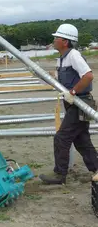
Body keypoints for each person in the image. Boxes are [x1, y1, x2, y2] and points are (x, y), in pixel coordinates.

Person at [39, 23, 98, 185]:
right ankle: (96, 168)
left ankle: (60, 174)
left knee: (61, 138)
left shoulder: (74, 55)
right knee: (81, 139)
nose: (54, 40)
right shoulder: (62, 59)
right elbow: (61, 81)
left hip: (80, 102)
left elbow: (88, 76)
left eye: (57, 38)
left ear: (65, 41)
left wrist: (72, 92)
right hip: (73, 103)